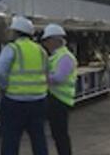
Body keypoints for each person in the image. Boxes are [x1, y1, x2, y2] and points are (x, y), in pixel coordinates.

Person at [0, 15, 49, 155]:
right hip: (38, 101)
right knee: (39, 139)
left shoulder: (12, 48)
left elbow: (0, 72)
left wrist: (3, 87)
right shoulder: (40, 50)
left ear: (16, 32)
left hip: (15, 101)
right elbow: (46, 71)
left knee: (11, 140)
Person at [41, 24, 76, 155]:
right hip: (55, 98)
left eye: (47, 41)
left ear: (56, 40)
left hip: (60, 100)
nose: (46, 44)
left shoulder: (65, 57)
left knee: (60, 135)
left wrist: (42, 77)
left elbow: (59, 78)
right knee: (57, 134)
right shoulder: (56, 56)